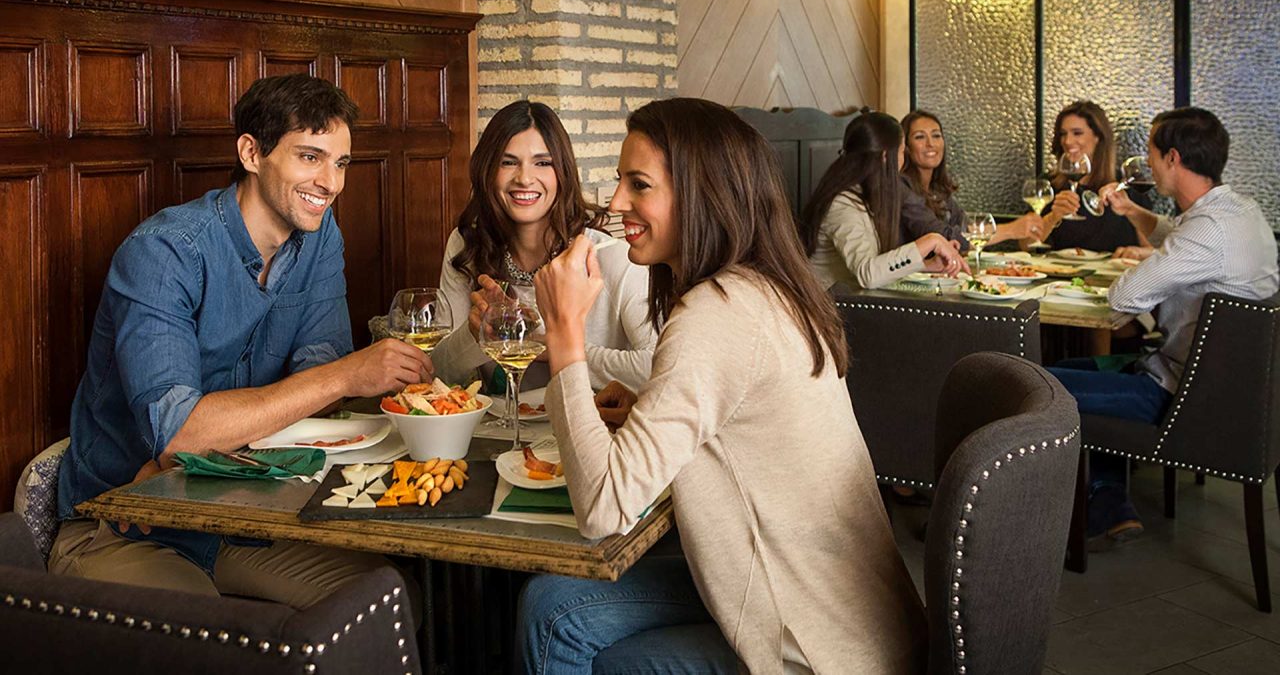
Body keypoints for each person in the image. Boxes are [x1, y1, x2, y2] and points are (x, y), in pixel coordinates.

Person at [517, 98, 926, 674]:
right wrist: (646, 406)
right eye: (618, 183)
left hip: (815, 641)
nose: (614, 204)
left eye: (639, 185)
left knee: (579, 639)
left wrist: (564, 336)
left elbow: (605, 509)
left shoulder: (719, 313)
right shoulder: (766, 286)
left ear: (703, 193)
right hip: (826, 594)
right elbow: (739, 422)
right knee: (551, 603)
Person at [52, 74, 432, 603]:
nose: (331, 182)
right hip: (123, 523)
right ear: (252, 153)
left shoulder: (320, 238)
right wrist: (344, 375)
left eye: (340, 162)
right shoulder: (163, 253)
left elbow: (315, 385)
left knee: (386, 596)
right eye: (309, 157)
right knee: (216, 640)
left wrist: (190, 454)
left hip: (243, 511)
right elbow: (182, 431)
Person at [1048, 107, 1278, 544]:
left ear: (1172, 158)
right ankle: (1110, 501)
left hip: (1180, 398)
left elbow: (1123, 299)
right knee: (1076, 365)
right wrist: (1132, 212)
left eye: (1151, 154)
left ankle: (1046, 511)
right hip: (1230, 392)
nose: (1147, 163)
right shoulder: (1238, 213)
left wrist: (1147, 263)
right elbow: (1176, 235)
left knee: (1040, 384)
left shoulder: (1207, 232)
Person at [429, 99, 654, 392]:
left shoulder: (609, 257)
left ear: (562, 173)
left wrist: (548, 345)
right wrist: (473, 336)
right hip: (498, 433)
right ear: (487, 170)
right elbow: (438, 373)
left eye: (543, 163)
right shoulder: (467, 245)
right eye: (508, 162)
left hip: (592, 430)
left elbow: (656, 368)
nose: (524, 178)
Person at [801, 110, 967, 291]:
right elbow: (868, 274)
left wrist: (926, 265)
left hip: (853, 303)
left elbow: (877, 270)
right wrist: (930, 241)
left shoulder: (868, 195)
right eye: (902, 152)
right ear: (885, 156)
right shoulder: (842, 204)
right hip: (825, 309)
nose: (903, 162)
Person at [899, 109, 1044, 250]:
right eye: (919, 137)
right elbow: (944, 238)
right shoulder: (902, 187)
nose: (930, 144)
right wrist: (1011, 230)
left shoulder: (937, 189)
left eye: (936, 136)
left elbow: (965, 228)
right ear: (905, 146)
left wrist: (1019, 227)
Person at [1039, 100, 1150, 252]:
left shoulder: (1127, 186)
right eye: (1063, 134)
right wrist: (1053, 217)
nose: (1067, 141)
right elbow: (1026, 244)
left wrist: (1135, 253)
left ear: (1098, 137)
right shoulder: (1049, 184)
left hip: (1115, 274)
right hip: (1062, 273)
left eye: (1077, 133)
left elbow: (1151, 248)